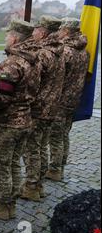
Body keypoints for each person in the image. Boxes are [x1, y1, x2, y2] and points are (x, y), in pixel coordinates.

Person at [0, 20, 38, 220]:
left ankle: (1, 205)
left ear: (14, 38)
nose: (5, 38)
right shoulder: (33, 59)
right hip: (25, 120)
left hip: (8, 123)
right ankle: (10, 204)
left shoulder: (12, 64)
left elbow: (2, 98)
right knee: (14, 164)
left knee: (1, 165)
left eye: (7, 35)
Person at [21, 15, 64, 201]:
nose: (33, 33)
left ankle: (31, 187)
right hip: (52, 108)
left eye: (36, 30)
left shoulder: (42, 54)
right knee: (41, 147)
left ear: (43, 32)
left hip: (38, 109)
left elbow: (32, 83)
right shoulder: (59, 51)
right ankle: (38, 184)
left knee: (31, 149)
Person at [46, 18, 89, 182]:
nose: (58, 32)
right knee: (64, 134)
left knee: (56, 136)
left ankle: (55, 169)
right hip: (74, 99)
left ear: (66, 31)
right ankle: (60, 166)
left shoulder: (65, 52)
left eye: (61, 29)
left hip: (60, 98)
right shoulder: (84, 51)